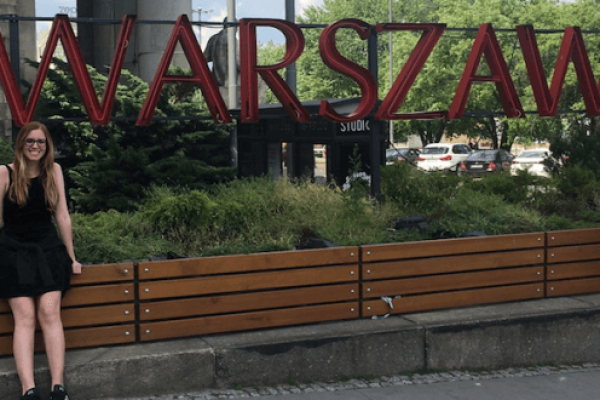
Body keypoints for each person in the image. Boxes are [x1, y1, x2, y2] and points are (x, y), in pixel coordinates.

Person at [0, 122, 82, 400]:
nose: (36, 146)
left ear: (47, 147)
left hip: (48, 251)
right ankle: (28, 389)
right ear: (21, 144)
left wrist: (72, 257)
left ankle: (58, 387)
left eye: (41, 142)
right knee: (24, 318)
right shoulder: (4, 173)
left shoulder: (54, 171)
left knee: (49, 314)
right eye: (30, 141)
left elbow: (62, 216)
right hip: (13, 252)